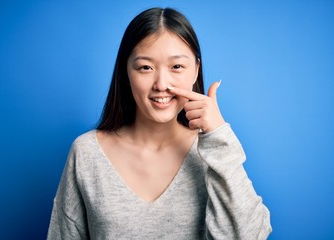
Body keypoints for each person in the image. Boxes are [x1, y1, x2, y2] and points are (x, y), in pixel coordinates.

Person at [47, 7, 272, 239]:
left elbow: (249, 236)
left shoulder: (215, 152)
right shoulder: (87, 153)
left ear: (196, 70)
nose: (161, 84)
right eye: (146, 67)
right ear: (126, 72)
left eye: (176, 67)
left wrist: (218, 136)